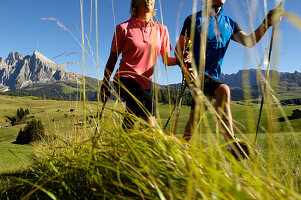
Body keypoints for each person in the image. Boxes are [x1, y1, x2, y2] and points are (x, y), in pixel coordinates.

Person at [175, 0, 283, 157]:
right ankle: (231, 144)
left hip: (214, 76)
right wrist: (185, 56)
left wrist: (268, 21)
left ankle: (180, 152)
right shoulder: (193, 20)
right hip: (195, 74)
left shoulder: (229, 23)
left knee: (195, 116)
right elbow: (179, 50)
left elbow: (250, 41)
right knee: (223, 90)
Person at [100, 0, 181, 130]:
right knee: (150, 104)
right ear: (135, 3)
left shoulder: (162, 29)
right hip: (124, 79)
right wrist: (105, 84)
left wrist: (180, 61)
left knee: (130, 118)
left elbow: (166, 60)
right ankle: (153, 146)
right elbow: (112, 59)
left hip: (145, 83)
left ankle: (123, 147)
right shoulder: (123, 28)